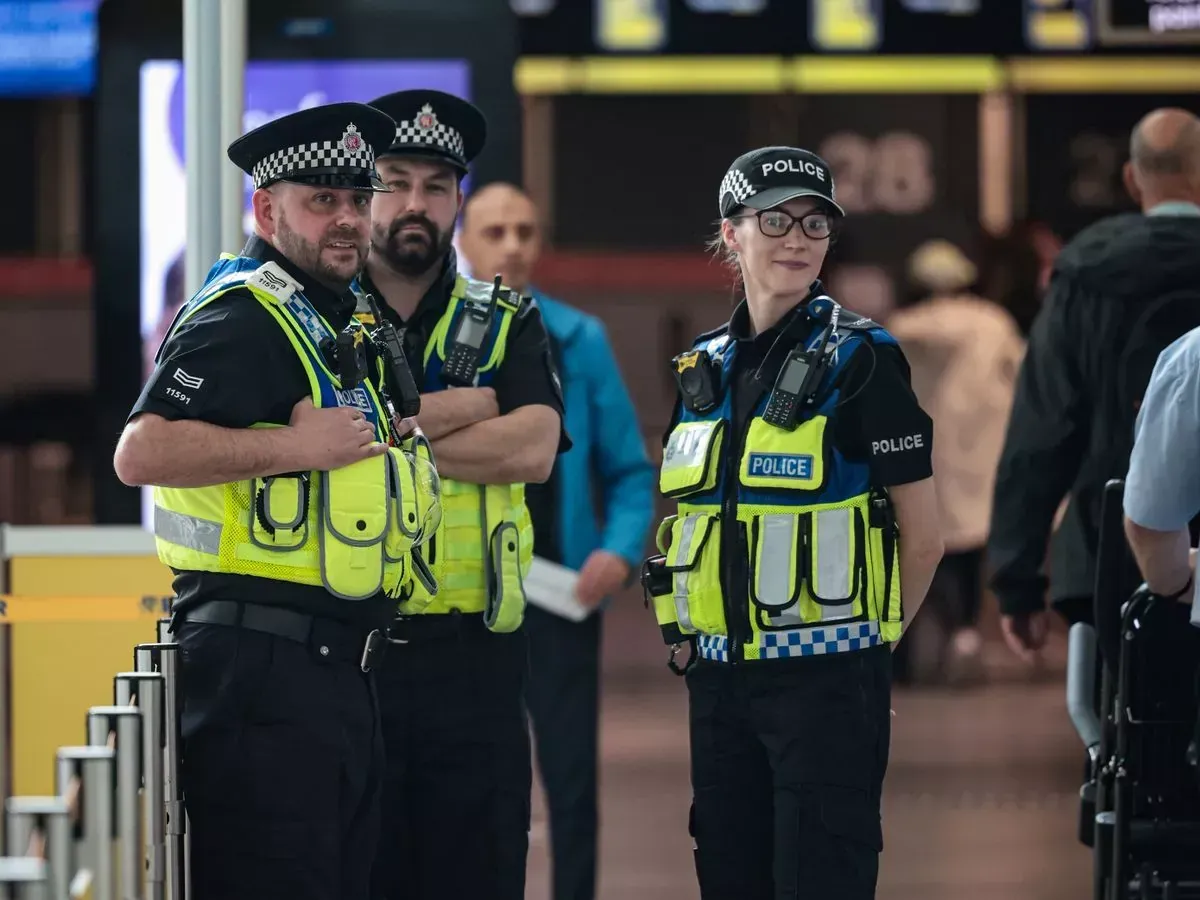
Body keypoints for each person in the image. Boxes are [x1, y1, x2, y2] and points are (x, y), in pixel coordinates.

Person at [112, 102, 441, 900]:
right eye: (321, 199)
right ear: (266, 209)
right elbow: (141, 452)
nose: (348, 219)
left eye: (358, 199)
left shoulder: (340, 316)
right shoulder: (242, 315)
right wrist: (294, 448)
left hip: (329, 674)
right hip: (257, 674)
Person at [642, 146, 944, 899]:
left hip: (827, 686)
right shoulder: (701, 370)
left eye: (815, 223)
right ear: (731, 233)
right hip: (716, 685)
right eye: (774, 219)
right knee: (729, 877)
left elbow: (924, 534)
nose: (797, 238)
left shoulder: (864, 360)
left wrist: (870, 656)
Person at [356, 89, 569, 900]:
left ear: (458, 200)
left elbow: (536, 448)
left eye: (437, 185)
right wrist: (468, 408)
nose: (416, 203)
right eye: (395, 180)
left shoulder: (508, 319)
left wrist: (388, 428)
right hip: (351, 657)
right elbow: (319, 444)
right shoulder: (317, 316)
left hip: (476, 669)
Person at [457, 182, 656, 900]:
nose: (511, 244)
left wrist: (618, 550)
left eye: (524, 231)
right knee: (468, 781)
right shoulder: (432, 339)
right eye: (494, 231)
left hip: (560, 595)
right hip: (462, 598)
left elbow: (631, 471)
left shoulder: (579, 340)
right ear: (464, 241)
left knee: (572, 785)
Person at [988, 107, 1200, 664]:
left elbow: (1042, 431)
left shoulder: (1085, 275)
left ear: (1132, 179)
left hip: (1109, 555)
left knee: (1127, 723)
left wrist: (1018, 580)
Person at [887, 239, 1025, 686]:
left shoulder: (899, 328)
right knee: (969, 550)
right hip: (982, 461)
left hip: (921, 459)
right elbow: (1023, 379)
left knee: (915, 547)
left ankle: (903, 648)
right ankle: (965, 631)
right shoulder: (993, 323)